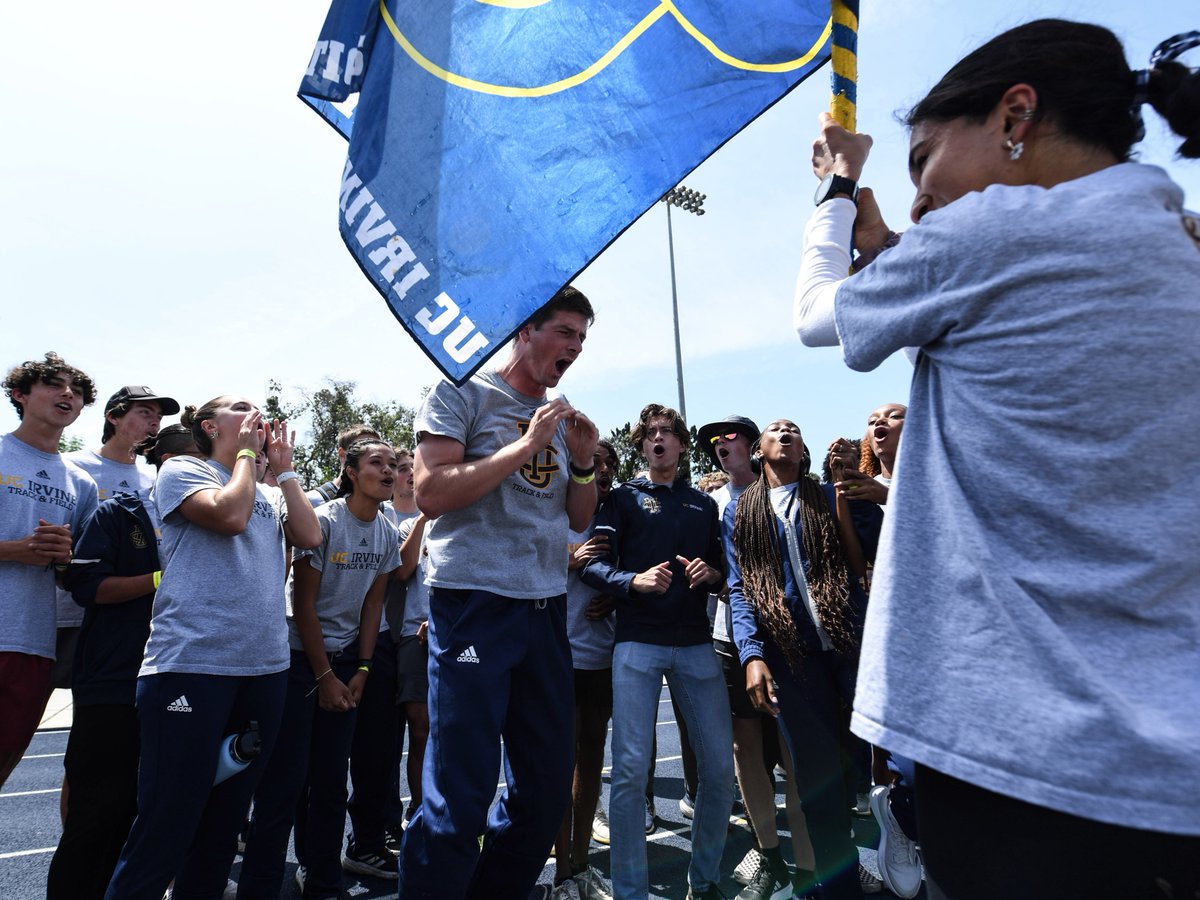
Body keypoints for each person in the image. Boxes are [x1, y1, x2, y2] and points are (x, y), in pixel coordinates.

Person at [794, 19, 1200, 898]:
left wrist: (836, 188)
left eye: (925, 161)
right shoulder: (1179, 238)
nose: (917, 202)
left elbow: (819, 313)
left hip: (1017, 761)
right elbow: (1003, 336)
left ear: (1016, 116)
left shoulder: (988, 233)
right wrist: (901, 257)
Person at [397, 285, 599, 900]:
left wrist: (583, 463)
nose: (575, 347)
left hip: (545, 608)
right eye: (565, 332)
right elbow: (431, 492)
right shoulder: (461, 391)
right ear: (525, 331)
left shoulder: (561, 419)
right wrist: (526, 445)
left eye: (582, 338)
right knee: (460, 794)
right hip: (474, 603)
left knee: (545, 793)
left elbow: (579, 519)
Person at [103, 396, 321, 900]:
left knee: (223, 826)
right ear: (209, 426)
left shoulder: (267, 490)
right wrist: (246, 455)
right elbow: (229, 517)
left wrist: (285, 471)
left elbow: (310, 535)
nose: (255, 413)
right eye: (240, 407)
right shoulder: (183, 470)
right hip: (191, 666)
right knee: (167, 823)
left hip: (263, 670)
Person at [580, 403, 731, 900]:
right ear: (642, 445)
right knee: (628, 771)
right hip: (637, 645)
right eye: (649, 434)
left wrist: (714, 574)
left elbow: (723, 572)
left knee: (718, 770)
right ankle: (630, 892)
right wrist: (632, 581)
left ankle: (703, 882)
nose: (658, 439)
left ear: (682, 445)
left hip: (695, 645)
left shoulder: (704, 505)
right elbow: (591, 565)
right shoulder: (622, 498)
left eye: (667, 432)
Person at [239, 438, 400, 900]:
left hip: (346, 662)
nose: (388, 471)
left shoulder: (388, 532)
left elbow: (373, 605)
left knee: (330, 782)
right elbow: (302, 604)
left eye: (393, 464)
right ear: (350, 472)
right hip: (298, 662)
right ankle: (260, 887)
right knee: (285, 782)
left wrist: (362, 668)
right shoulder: (325, 521)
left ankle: (324, 881)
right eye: (376, 463)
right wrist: (325, 677)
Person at [47, 425, 200, 900]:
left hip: (181, 679)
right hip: (115, 680)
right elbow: (86, 587)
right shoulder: (119, 513)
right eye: (202, 460)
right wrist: (160, 577)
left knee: (155, 810)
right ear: (172, 464)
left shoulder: (211, 521)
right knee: (97, 811)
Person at [725, 419, 871, 900]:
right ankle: (840, 888)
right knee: (817, 786)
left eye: (794, 428)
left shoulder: (828, 496)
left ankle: (887, 841)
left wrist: (861, 490)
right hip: (793, 659)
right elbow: (741, 589)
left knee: (868, 769)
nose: (785, 431)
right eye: (775, 428)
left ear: (803, 449)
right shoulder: (740, 512)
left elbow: (875, 550)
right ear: (759, 450)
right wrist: (752, 655)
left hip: (849, 650)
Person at [0, 352, 98, 789]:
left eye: (76, 391)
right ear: (20, 394)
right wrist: (14, 550)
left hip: (34, 641)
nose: (68, 395)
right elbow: (22, 551)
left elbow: (72, 576)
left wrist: (65, 560)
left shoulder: (81, 483)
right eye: (54, 385)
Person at [550, 439, 618, 900]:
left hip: (604, 654)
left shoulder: (619, 519)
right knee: (560, 761)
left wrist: (616, 594)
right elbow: (522, 559)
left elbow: (638, 573)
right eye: (594, 464)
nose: (602, 471)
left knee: (592, 754)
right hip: (560, 654)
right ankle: (561, 874)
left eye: (608, 465)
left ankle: (580, 861)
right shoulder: (557, 514)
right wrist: (568, 561)